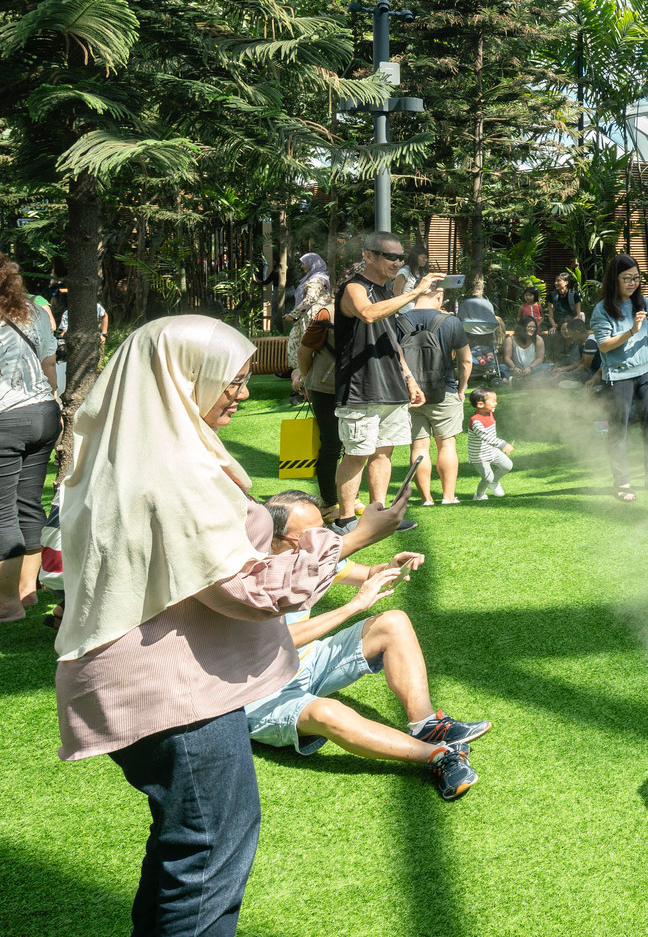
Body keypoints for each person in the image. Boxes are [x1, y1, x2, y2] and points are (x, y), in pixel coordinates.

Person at [53, 315, 404, 935]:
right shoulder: (177, 474)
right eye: (231, 382)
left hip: (139, 684)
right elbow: (250, 589)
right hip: (172, 699)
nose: (242, 394)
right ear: (186, 379)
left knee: (188, 849)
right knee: (209, 853)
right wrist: (351, 537)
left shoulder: (130, 449)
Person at [248, 493, 486, 798]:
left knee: (393, 622)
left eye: (324, 531)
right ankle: (437, 755)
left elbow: (363, 573)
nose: (321, 542)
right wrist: (352, 607)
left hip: (306, 662)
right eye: (309, 536)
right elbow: (277, 642)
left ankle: (426, 724)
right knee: (327, 713)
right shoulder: (254, 575)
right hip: (260, 690)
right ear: (276, 540)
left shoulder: (312, 554)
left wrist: (389, 567)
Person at [332, 231, 440, 532]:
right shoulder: (354, 287)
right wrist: (415, 293)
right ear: (369, 256)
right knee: (357, 453)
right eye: (390, 256)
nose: (397, 262)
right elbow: (367, 315)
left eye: (400, 257)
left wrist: (409, 378)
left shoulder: (386, 293)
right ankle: (346, 520)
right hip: (360, 388)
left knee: (384, 452)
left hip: (391, 387)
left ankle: (377, 517)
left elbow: (391, 342)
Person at [0, 250, 59, 622]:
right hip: (43, 413)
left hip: (4, 418)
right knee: (28, 503)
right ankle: (27, 591)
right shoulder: (33, 312)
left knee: (2, 511)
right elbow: (50, 366)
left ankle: (6, 606)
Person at [589, 254, 648, 502]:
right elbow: (603, 346)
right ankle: (622, 483)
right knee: (618, 432)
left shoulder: (642, 301)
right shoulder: (602, 309)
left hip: (647, 373)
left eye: (636, 278)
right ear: (614, 279)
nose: (633, 283)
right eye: (627, 278)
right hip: (618, 377)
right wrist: (631, 331)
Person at [402, 286, 472, 506]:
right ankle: (448, 497)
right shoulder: (451, 322)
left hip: (410, 394)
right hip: (445, 390)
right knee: (447, 444)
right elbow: (466, 360)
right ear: (439, 296)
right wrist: (461, 388)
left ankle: (426, 499)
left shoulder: (399, 320)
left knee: (419, 447)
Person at [289, 256, 342, 510]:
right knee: (332, 443)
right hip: (326, 383)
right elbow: (304, 352)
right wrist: (308, 380)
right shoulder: (327, 312)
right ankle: (332, 501)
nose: (301, 267)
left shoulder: (317, 282)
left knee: (346, 445)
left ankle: (343, 497)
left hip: (343, 386)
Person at [466, 389, 513, 500]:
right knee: (487, 477)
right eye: (493, 401)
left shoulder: (489, 413)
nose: (495, 403)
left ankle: (494, 482)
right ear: (480, 404)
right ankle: (479, 495)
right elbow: (486, 437)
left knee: (507, 465)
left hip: (492, 451)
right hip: (479, 456)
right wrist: (503, 444)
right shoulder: (475, 421)